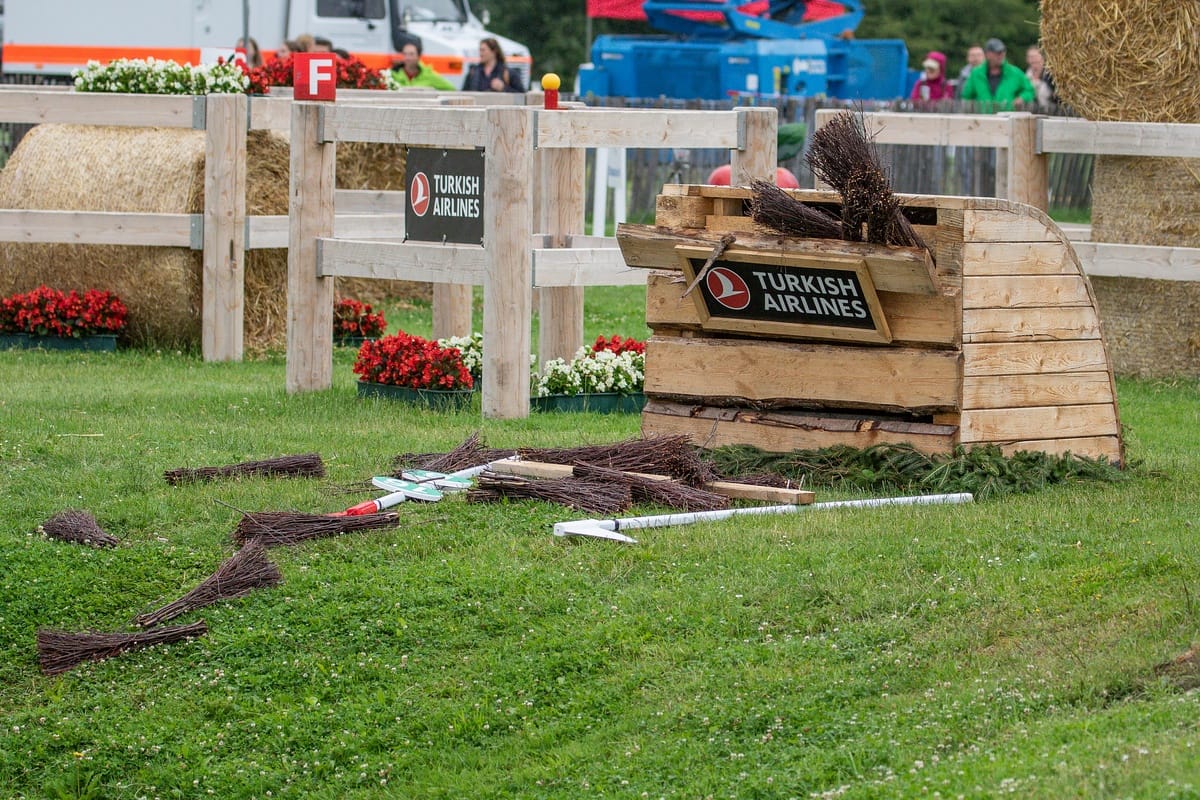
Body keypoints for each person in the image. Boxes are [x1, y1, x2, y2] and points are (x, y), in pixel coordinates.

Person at [960, 37, 1035, 111]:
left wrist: (1021, 98)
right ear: (988, 54)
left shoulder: (1015, 72)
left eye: (1003, 51)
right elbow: (966, 96)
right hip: (982, 120)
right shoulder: (976, 73)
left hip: (1007, 119)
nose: (1001, 55)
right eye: (998, 52)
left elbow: (1030, 90)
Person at [1025, 45, 1058, 111]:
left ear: (1042, 58)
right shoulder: (1025, 77)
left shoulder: (1052, 75)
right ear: (1027, 59)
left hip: (1053, 113)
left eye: (1036, 56)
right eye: (1031, 57)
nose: (1034, 59)